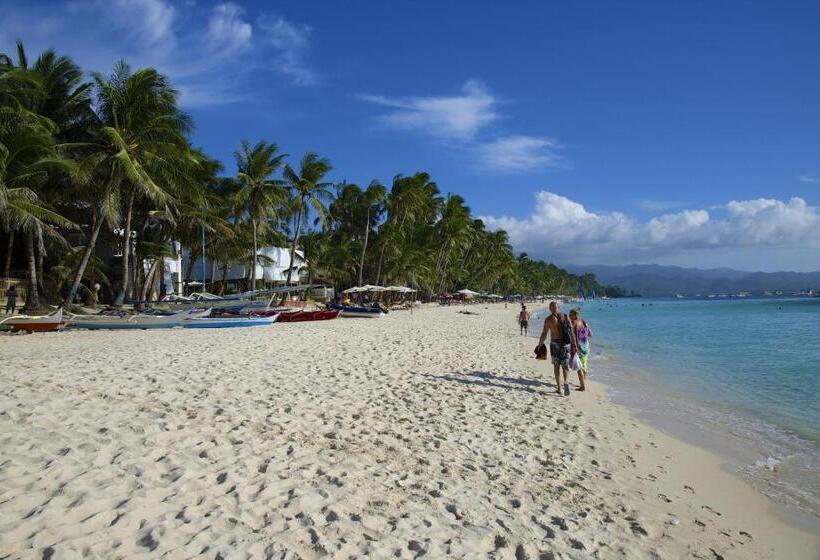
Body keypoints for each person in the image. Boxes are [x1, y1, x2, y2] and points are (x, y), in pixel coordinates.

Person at [537, 301, 576, 396]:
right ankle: (566, 382)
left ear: (550, 309)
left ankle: (559, 388)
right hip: (566, 345)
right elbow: (571, 332)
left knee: (556, 367)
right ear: (558, 307)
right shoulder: (566, 317)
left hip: (555, 344)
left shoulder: (549, 319)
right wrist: (574, 344)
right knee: (565, 366)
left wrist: (540, 344)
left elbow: (544, 333)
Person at [569, 308, 593, 391]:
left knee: (578, 367)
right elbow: (591, 334)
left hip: (578, 347)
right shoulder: (583, 322)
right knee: (584, 364)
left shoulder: (573, 324)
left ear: (574, 315)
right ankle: (583, 381)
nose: (569, 316)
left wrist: (574, 347)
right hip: (586, 346)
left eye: (570, 314)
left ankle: (582, 386)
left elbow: (573, 337)